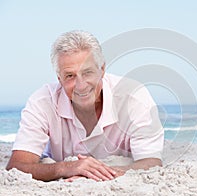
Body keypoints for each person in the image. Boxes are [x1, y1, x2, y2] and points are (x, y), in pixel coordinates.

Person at [6, 30, 164, 182]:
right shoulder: (42, 101)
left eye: (87, 72)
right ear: (59, 78)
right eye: (70, 76)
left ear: (102, 70)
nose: (80, 85)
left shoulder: (134, 97)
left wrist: (94, 173)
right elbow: (17, 166)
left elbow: (151, 162)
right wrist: (67, 168)